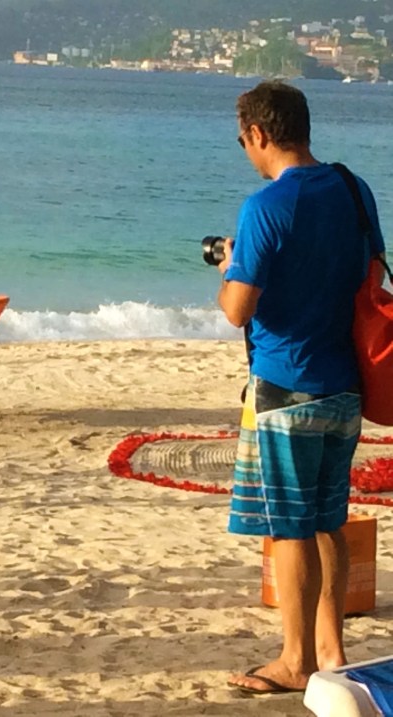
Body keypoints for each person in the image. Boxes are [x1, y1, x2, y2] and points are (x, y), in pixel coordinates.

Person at [218, 81, 385, 694]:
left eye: (243, 140)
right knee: (329, 520)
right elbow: (369, 275)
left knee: (289, 527)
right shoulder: (353, 189)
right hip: (346, 382)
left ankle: (295, 660)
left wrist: (227, 269)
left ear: (259, 133)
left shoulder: (266, 206)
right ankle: (331, 648)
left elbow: (238, 309)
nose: (246, 151)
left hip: (287, 383)